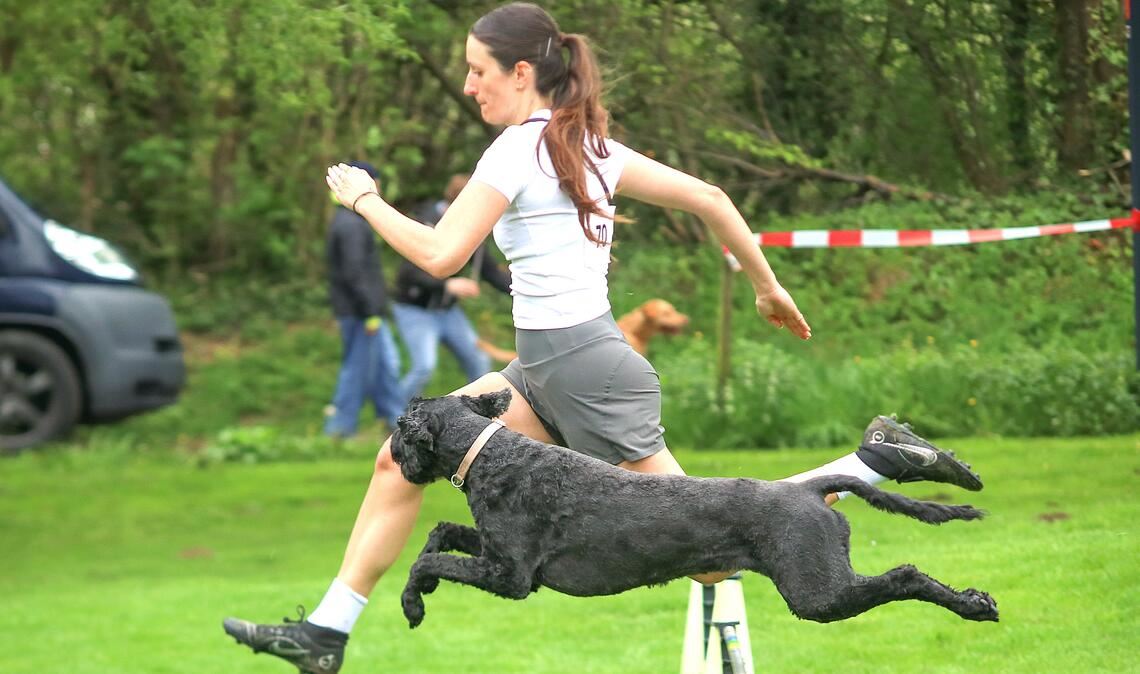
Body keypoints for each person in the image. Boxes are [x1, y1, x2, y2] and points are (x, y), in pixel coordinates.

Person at [224, 5, 983, 672]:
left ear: (521, 72)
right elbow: (711, 198)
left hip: (586, 372)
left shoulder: (520, 149)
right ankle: (327, 633)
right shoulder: (587, 146)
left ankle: (875, 459)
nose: (468, 86)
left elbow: (440, 255)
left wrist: (365, 200)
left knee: (714, 548)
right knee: (400, 457)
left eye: (476, 70)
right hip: (539, 370)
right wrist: (765, 283)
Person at [391, 173, 512, 406]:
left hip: (447, 311)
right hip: (416, 309)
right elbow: (408, 273)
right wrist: (447, 284)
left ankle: (476, 419)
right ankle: (394, 418)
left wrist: (524, 288)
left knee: (478, 361)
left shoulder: (471, 226)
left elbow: (492, 273)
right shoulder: (426, 222)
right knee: (424, 367)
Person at [322, 161, 403, 438]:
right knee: (357, 369)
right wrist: (370, 311)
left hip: (362, 310)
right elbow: (356, 272)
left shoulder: (347, 220)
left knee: (384, 366)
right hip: (359, 312)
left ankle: (393, 420)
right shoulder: (352, 225)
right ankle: (340, 429)